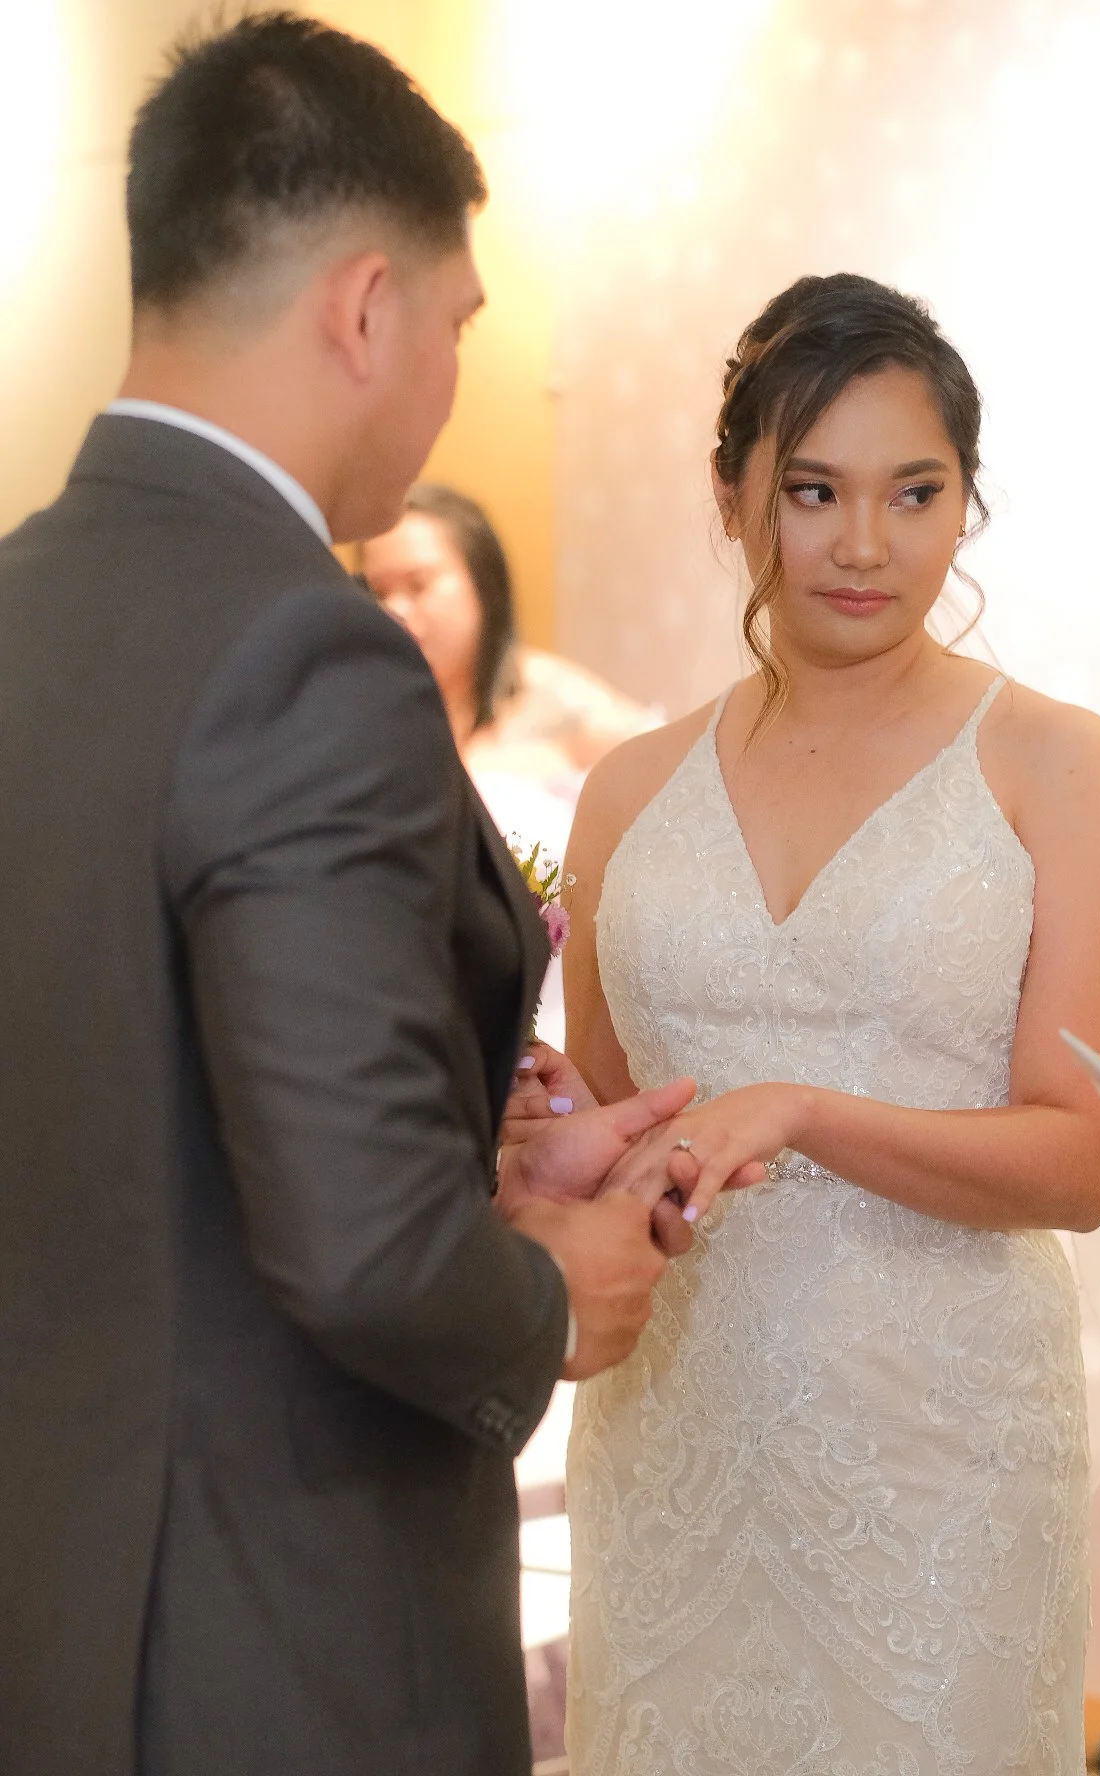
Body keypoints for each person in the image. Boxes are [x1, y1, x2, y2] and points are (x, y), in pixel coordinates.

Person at [0, 16, 718, 1776]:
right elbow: (362, 1247)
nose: (454, 374)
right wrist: (552, 1294)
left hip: (60, 1591)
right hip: (279, 1634)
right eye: (462, 326)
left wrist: (474, 1150)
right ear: (367, 306)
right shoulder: (306, 651)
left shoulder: (25, 601)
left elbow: (142, 1104)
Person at [549, 274, 1100, 1774]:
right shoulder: (628, 789)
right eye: (813, 490)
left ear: (967, 501)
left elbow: (1082, 1163)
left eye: (915, 492)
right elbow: (619, 1129)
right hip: (673, 1439)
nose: (865, 544)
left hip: (939, 1460)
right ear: (732, 496)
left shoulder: (1054, 766)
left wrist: (804, 1110)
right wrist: (534, 1117)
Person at [361, 485, 660, 1048]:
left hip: (552, 1026)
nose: (395, 610)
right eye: (377, 591)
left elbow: (675, 784)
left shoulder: (553, 701)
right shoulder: (361, 719)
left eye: (418, 586)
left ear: (483, 582)